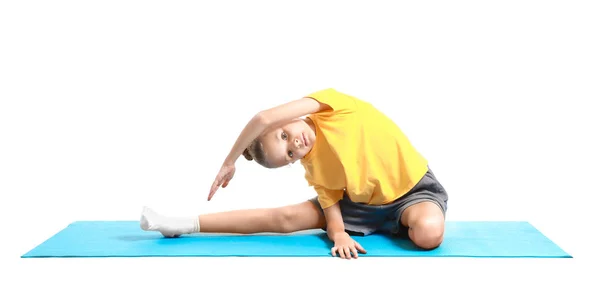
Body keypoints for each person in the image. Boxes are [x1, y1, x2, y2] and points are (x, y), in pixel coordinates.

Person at [140, 88, 449, 259]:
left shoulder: (332, 106)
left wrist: (229, 160)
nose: (296, 145)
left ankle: (397, 223)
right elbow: (332, 212)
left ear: (287, 118)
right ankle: (181, 224)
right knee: (285, 218)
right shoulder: (313, 164)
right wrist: (338, 234)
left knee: (428, 234)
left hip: (413, 192)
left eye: (285, 135)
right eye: (289, 154)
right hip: (363, 207)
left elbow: (263, 117)